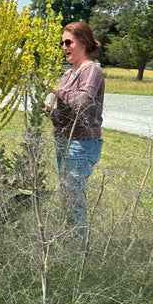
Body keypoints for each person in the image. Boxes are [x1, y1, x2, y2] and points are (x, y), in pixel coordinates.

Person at [46, 21, 104, 234]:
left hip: (80, 143)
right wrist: (48, 107)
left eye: (68, 42)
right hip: (62, 140)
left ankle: (77, 246)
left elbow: (81, 102)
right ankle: (69, 239)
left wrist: (55, 90)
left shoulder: (92, 71)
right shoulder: (68, 74)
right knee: (65, 194)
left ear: (84, 42)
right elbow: (61, 111)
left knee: (73, 196)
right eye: (62, 43)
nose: (64, 47)